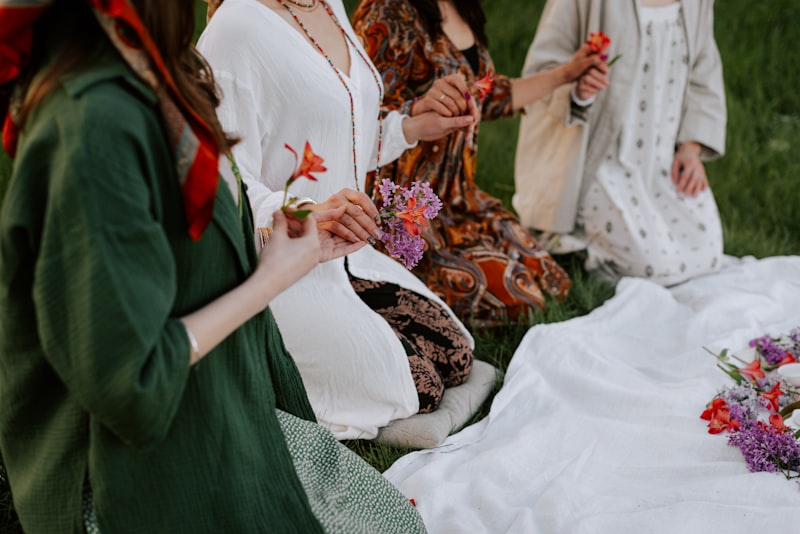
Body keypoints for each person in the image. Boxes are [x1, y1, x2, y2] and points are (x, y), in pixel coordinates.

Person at [0, 0, 426, 532]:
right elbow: (129, 385)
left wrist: (292, 246)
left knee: (394, 521)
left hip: (216, 398)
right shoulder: (92, 126)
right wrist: (270, 279)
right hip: (127, 476)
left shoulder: (165, 66)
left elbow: (204, 239)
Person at [198, 0, 481, 440]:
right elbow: (218, 181)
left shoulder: (327, 4)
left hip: (348, 258)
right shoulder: (236, 27)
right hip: (279, 271)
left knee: (455, 354)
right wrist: (302, 214)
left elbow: (341, 135)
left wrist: (409, 126)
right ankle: (259, 366)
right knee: (418, 385)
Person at [351, 0, 602, 326]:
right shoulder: (387, 12)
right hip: (411, 212)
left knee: (554, 283)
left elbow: (489, 95)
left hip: (462, 199)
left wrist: (567, 74)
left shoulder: (461, 6)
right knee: (523, 301)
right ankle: (396, 289)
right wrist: (419, 109)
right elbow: (359, 114)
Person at [513, 0, 726, 286]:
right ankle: (575, 241)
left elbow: (704, 71)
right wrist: (578, 92)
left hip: (661, 159)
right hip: (598, 160)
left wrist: (691, 149)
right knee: (652, 268)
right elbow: (543, 68)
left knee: (708, 252)